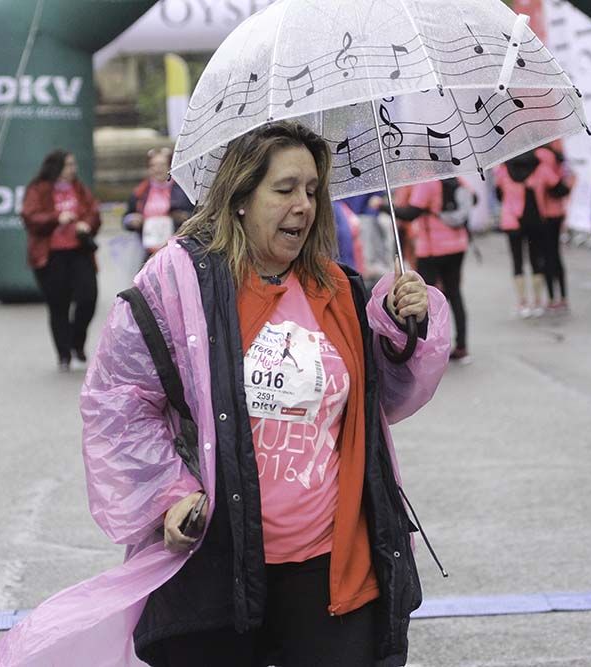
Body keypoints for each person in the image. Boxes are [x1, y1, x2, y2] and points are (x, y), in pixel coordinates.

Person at [77, 121, 451, 667]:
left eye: (313, 190)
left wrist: (400, 330)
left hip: (332, 569)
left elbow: (384, 402)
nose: (303, 205)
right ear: (240, 199)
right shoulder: (179, 289)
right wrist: (167, 494)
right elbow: (119, 402)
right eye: (285, 189)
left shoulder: (339, 289)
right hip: (219, 564)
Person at [21, 150, 101, 371]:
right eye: (68, 165)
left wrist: (87, 224)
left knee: (88, 298)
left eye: (73, 165)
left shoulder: (79, 188)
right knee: (58, 305)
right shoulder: (38, 188)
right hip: (51, 255)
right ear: (55, 167)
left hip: (79, 251)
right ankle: (63, 353)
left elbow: (93, 211)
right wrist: (56, 217)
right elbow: (30, 216)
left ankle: (77, 339)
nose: (72, 169)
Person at [394, 177, 474, 363]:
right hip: (458, 244)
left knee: (427, 300)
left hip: (431, 248)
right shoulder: (457, 179)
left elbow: (410, 213)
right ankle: (462, 346)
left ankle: (430, 350)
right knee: (455, 294)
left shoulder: (427, 181)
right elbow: (474, 198)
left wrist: (384, 207)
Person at [494, 151, 557, 318]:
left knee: (517, 262)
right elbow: (556, 186)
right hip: (535, 221)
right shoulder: (540, 167)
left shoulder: (504, 168)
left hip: (511, 221)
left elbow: (498, 194)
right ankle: (537, 302)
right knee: (536, 261)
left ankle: (522, 302)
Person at [123, 147, 194, 260]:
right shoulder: (140, 192)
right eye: (153, 165)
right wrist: (132, 220)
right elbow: (126, 218)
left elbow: (197, 217)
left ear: (169, 167)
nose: (158, 169)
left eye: (162, 165)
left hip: (179, 251)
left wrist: (183, 217)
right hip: (148, 252)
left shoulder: (184, 191)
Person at [537, 141, 575, 313]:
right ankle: (562, 297)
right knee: (555, 255)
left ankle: (553, 298)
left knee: (547, 256)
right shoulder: (556, 153)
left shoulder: (542, 155)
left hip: (544, 213)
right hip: (557, 212)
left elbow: (548, 181)